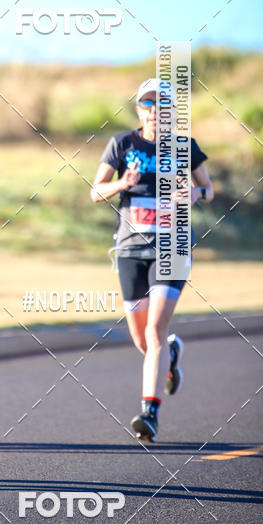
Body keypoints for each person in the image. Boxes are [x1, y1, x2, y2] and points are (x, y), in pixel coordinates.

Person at [90, 78, 213, 441]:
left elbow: (208, 189)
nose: (154, 110)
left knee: (155, 330)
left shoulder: (184, 147)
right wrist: (122, 185)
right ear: (139, 109)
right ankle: (171, 355)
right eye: (148, 104)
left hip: (172, 246)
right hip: (130, 249)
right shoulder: (122, 144)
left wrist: (194, 192)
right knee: (143, 340)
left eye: (162, 105)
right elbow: (96, 191)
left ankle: (150, 413)